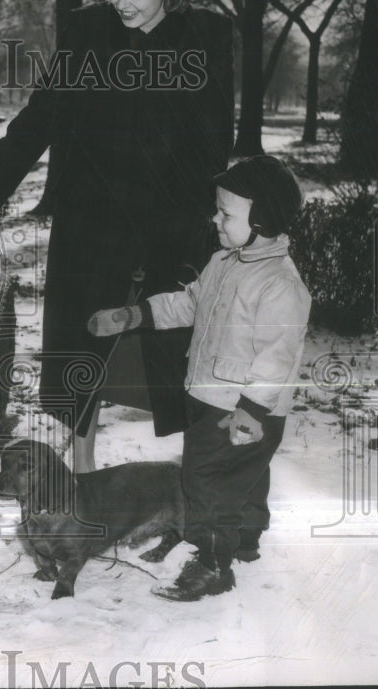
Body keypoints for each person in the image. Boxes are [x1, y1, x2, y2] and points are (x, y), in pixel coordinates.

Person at [0, 0, 235, 473]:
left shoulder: (205, 37)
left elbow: (214, 143)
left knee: (175, 351)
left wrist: (207, 216)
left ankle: (192, 486)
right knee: (81, 350)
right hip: (93, 218)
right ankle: (81, 469)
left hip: (169, 219)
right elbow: (41, 119)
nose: (121, 4)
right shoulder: (88, 31)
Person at [88, 155, 312, 601]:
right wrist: (138, 314)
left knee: (205, 482)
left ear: (262, 219)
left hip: (243, 407)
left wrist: (251, 412)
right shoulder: (225, 262)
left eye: (226, 213)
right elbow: (190, 303)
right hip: (214, 396)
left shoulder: (279, 286)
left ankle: (212, 564)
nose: (216, 219)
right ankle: (245, 539)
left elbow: (277, 356)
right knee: (244, 476)